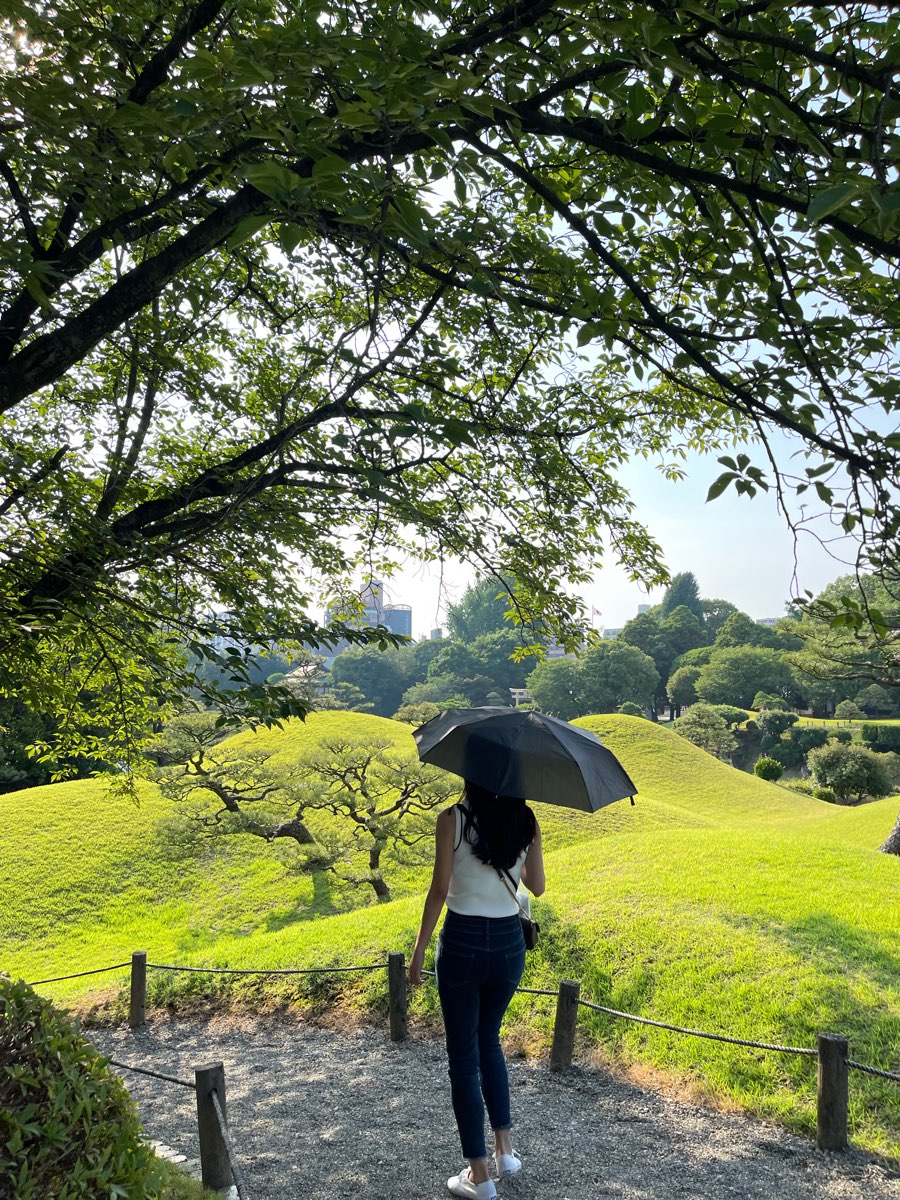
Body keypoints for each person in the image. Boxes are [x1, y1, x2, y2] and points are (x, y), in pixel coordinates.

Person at [410, 781, 545, 1200]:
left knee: (463, 1057)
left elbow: (438, 890)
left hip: (463, 940)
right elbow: (536, 886)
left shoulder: (452, 819)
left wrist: (417, 953)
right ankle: (505, 1152)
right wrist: (511, 854)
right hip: (508, 943)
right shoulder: (526, 819)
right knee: (490, 1040)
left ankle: (479, 1176)